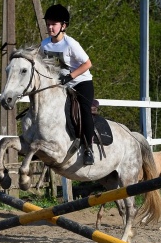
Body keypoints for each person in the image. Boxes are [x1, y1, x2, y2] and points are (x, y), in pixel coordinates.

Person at [41, 4, 94, 165]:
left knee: (84, 111)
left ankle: (89, 149)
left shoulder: (71, 44)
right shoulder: (44, 44)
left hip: (81, 82)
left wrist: (69, 76)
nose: (50, 27)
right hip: (60, 84)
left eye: (53, 24)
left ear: (63, 26)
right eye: (48, 23)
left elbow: (87, 64)